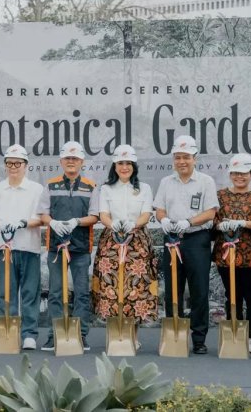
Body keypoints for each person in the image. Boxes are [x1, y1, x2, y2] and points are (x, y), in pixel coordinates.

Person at [154, 135, 219, 354]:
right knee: (173, 289)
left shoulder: (206, 181)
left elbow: (211, 211)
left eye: (186, 157)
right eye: (178, 157)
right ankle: (175, 336)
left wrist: (188, 222)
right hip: (172, 240)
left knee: (199, 290)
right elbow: (159, 208)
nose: (182, 161)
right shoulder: (165, 182)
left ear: (194, 158)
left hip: (196, 239)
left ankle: (199, 339)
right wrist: (163, 219)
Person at [91, 145, 158, 349]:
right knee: (111, 288)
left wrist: (133, 224)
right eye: (121, 163)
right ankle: (115, 335)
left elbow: (146, 214)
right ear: (115, 165)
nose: (124, 167)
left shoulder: (144, 188)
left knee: (134, 289)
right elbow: (103, 214)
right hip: (112, 241)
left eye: (128, 163)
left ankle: (133, 337)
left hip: (137, 243)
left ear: (134, 165)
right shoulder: (106, 188)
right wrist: (114, 225)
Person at [38, 141, 98, 352]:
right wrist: (52, 222)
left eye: (75, 159)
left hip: (81, 247)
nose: (71, 162)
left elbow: (94, 216)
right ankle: (55, 335)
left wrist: (77, 221)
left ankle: (80, 334)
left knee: (81, 292)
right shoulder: (51, 185)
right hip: (56, 247)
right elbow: (43, 213)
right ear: (61, 161)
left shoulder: (91, 186)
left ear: (81, 161)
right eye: (67, 159)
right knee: (55, 292)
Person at [0, 144, 44, 350]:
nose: (13, 167)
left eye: (18, 163)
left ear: (26, 165)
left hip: (29, 246)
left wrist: (23, 222)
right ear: (5, 165)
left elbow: (41, 218)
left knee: (30, 291)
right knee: (6, 291)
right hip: (5, 247)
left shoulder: (36, 189)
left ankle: (29, 334)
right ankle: (7, 329)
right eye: (9, 163)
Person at [212, 153, 251, 354]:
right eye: (236, 173)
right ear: (230, 174)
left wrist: (243, 223)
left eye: (244, 173)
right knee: (232, 296)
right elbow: (213, 221)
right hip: (226, 256)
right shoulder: (220, 196)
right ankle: (235, 334)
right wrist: (221, 225)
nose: (240, 177)